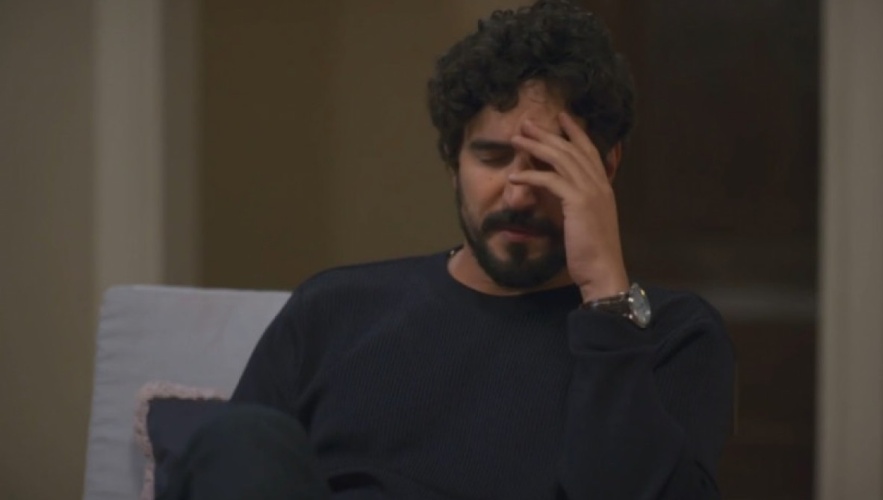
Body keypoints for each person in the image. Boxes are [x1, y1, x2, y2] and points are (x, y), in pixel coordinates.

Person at [161, 1, 735, 499]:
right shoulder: (332, 309)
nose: (518, 192)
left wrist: (606, 297)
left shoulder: (673, 336)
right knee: (240, 439)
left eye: (548, 163)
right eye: (492, 158)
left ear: (604, 169)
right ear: (453, 165)